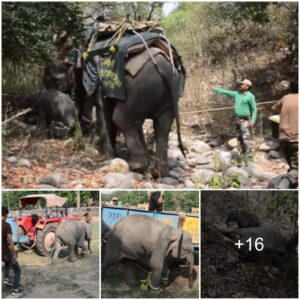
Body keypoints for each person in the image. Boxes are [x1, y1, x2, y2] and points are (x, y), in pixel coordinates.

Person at [212, 79, 257, 159]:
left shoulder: (250, 96)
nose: (240, 85)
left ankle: (249, 156)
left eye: (242, 84)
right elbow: (225, 92)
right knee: (239, 138)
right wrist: (215, 88)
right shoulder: (237, 94)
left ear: (247, 87)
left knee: (246, 138)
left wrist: (252, 121)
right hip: (238, 120)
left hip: (245, 120)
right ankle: (243, 154)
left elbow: (254, 109)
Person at [271, 81, 298, 188]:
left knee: (293, 167)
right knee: (296, 170)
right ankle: (282, 187)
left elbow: (274, 109)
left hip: (284, 139)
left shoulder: (285, 98)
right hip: (296, 139)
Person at [2, 207, 24, 297]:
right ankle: (15, 290)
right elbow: (11, 241)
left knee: (7, 263)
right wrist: (14, 253)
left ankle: (6, 278)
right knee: (17, 270)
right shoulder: (6, 225)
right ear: (6, 214)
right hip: (5, 252)